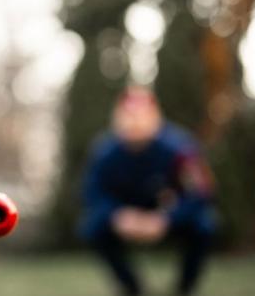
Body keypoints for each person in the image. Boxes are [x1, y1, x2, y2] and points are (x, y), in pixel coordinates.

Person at [79, 87, 216, 296]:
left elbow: (201, 193)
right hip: (125, 214)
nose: (135, 122)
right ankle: (131, 287)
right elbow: (91, 192)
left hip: (167, 214)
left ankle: (185, 288)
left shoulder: (179, 148)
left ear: (155, 115)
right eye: (129, 115)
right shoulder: (104, 152)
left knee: (204, 225)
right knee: (93, 226)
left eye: (142, 115)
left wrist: (168, 219)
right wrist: (117, 215)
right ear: (117, 117)